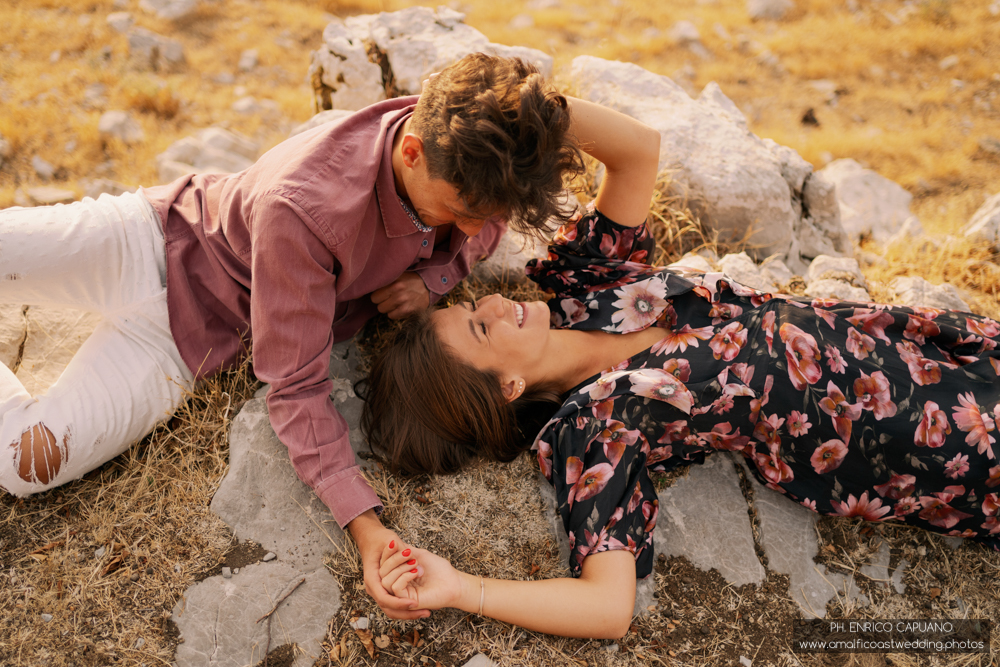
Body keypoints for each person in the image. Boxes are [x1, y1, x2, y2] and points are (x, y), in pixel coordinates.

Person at [0, 54, 659, 620]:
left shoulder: (469, 152)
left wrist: (435, 274)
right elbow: (295, 383)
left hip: (182, 344)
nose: (477, 227)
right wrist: (366, 526)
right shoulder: (306, 209)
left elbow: (484, 223)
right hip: (146, 240)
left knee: (26, 465)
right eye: (460, 212)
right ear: (410, 152)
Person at [362, 114, 1000, 638]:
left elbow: (637, 149)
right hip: (928, 440)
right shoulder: (592, 426)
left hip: (924, 347)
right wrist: (461, 589)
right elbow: (607, 608)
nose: (495, 304)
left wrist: (499, 111)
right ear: (505, 389)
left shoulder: (581, 283)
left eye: (472, 307)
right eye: (480, 329)